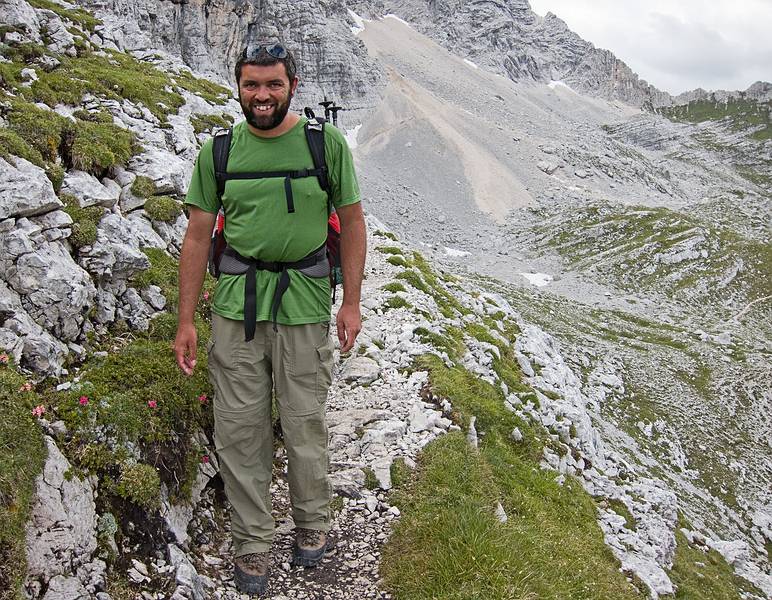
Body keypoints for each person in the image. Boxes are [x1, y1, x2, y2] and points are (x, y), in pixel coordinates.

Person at [173, 42, 366, 596]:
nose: (262, 96)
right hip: (236, 308)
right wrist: (186, 321)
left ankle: (313, 525)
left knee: (305, 419)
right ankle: (252, 543)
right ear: (238, 86)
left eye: (273, 85)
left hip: (305, 303)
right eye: (252, 85)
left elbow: (352, 224)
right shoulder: (218, 153)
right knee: (238, 429)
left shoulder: (323, 144)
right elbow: (195, 236)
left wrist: (350, 302)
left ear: (292, 86)